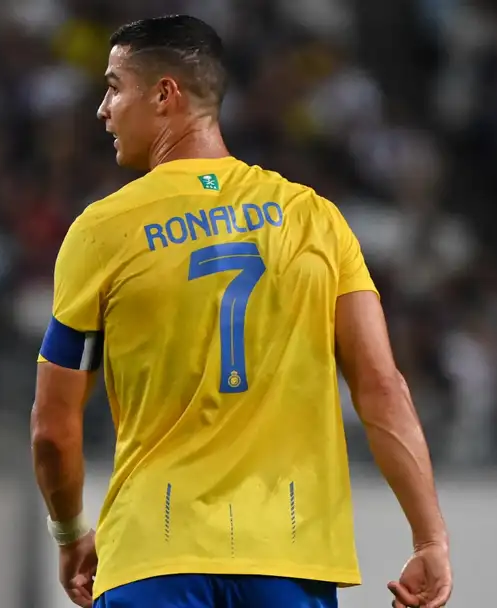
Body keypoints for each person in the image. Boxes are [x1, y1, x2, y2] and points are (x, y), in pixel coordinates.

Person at [30, 14, 452, 608]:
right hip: (289, 562)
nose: (103, 109)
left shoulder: (101, 231)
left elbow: (53, 428)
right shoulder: (315, 220)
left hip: (154, 554)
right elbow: (382, 388)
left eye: (114, 87)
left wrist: (70, 533)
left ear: (164, 95)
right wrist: (429, 537)